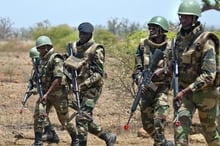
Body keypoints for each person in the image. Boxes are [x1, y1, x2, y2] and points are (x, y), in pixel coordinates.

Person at [173, 0, 220, 145]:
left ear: (195, 19)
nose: (183, 20)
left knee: (210, 132)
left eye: (186, 17)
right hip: (185, 94)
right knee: (180, 127)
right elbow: (172, 61)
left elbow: (208, 76)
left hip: (206, 94)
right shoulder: (178, 40)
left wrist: (186, 90)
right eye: (181, 16)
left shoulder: (206, 42)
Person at [64, 22, 117, 146]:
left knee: (81, 117)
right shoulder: (73, 47)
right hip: (77, 86)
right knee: (85, 116)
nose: (83, 36)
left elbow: (99, 74)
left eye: (86, 34)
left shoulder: (96, 49)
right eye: (81, 33)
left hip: (92, 88)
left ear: (90, 34)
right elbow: (66, 65)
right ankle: (107, 136)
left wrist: (84, 85)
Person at [132, 16, 173, 146]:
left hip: (162, 88)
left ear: (162, 30)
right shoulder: (143, 45)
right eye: (150, 28)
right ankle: (163, 142)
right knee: (147, 124)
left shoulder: (171, 47)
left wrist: (163, 70)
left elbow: (178, 67)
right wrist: (139, 80)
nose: (151, 30)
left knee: (158, 120)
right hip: (147, 88)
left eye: (154, 28)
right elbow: (137, 69)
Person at [31, 35, 78, 146]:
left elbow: (58, 78)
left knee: (64, 121)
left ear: (47, 47)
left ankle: (76, 140)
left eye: (41, 48)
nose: (39, 50)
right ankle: (38, 141)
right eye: (38, 48)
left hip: (58, 95)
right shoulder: (41, 60)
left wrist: (47, 94)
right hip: (45, 95)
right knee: (39, 115)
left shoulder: (56, 58)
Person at [28, 47, 60, 144]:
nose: (34, 61)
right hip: (46, 94)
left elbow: (53, 80)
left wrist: (45, 93)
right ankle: (47, 135)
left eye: (35, 59)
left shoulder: (49, 64)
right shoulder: (37, 68)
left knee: (64, 119)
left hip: (57, 94)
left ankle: (52, 133)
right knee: (39, 113)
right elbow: (36, 82)